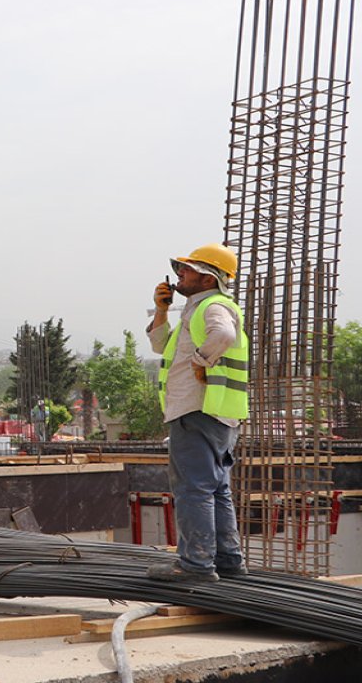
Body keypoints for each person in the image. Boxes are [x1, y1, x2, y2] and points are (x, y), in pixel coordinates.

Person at [146, 243, 250, 584]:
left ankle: (196, 565)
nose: (180, 274)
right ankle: (227, 560)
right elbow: (162, 345)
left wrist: (201, 363)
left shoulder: (212, 306)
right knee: (215, 488)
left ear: (208, 279)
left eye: (188, 270)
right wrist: (162, 311)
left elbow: (223, 334)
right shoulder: (198, 309)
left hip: (197, 410)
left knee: (193, 488)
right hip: (216, 412)